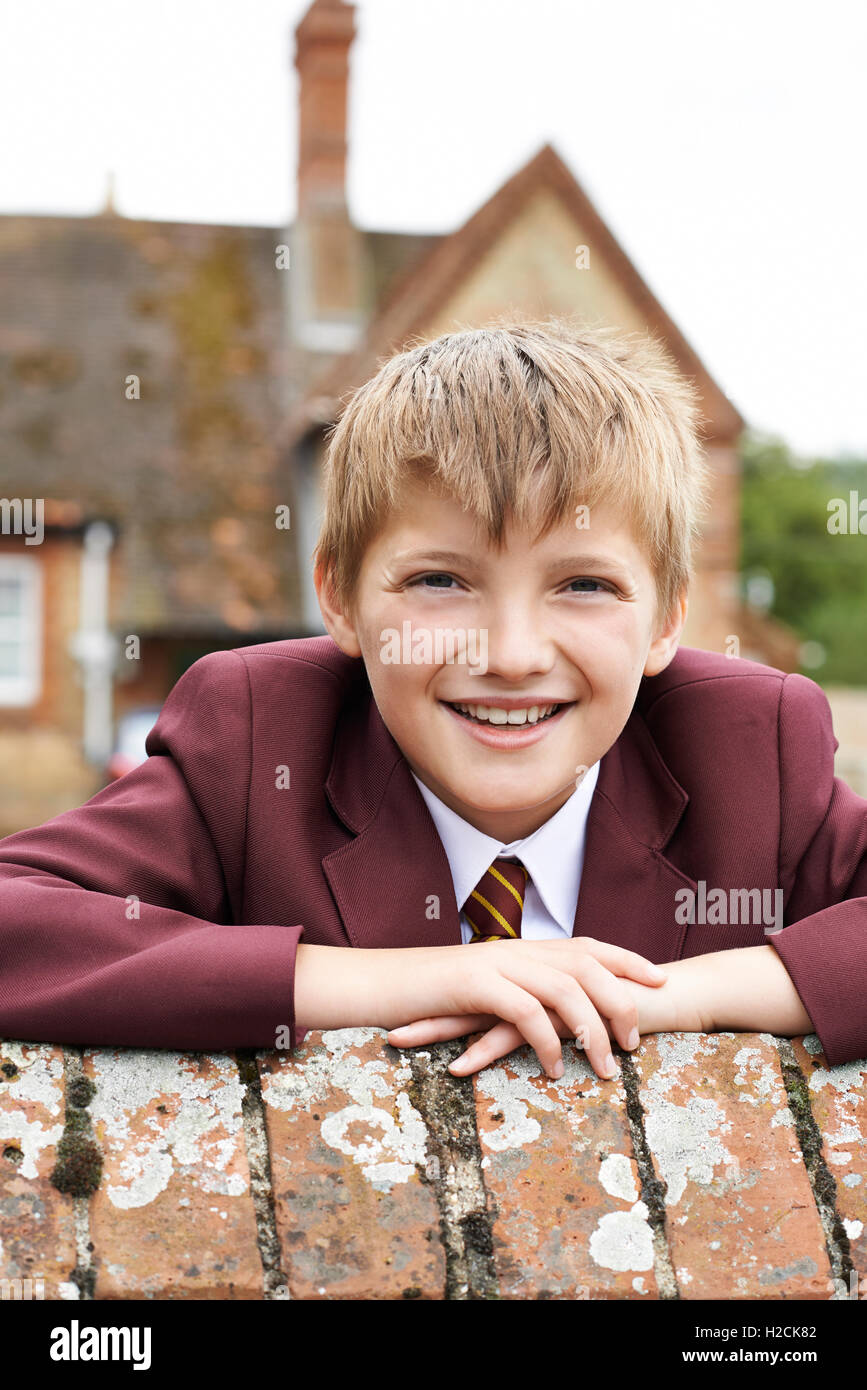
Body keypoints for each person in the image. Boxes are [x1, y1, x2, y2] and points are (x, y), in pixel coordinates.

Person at [1, 318, 864, 1082]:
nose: (512, 655)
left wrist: (678, 995)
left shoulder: (749, 743)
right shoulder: (261, 734)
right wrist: (414, 977)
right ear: (339, 598)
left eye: (585, 585)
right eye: (440, 580)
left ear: (666, 622)